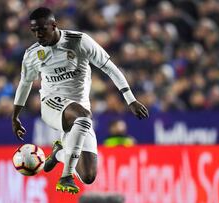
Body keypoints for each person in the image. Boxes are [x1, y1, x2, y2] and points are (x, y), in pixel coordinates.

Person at [12, 7, 149, 194]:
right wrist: (15, 116)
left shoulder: (79, 42)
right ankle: (66, 176)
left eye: (42, 29)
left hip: (79, 109)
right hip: (51, 104)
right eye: (34, 30)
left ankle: (59, 154)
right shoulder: (32, 54)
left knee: (88, 176)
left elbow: (110, 68)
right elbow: (25, 83)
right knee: (83, 116)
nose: (38, 34)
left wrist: (130, 99)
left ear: (54, 25)